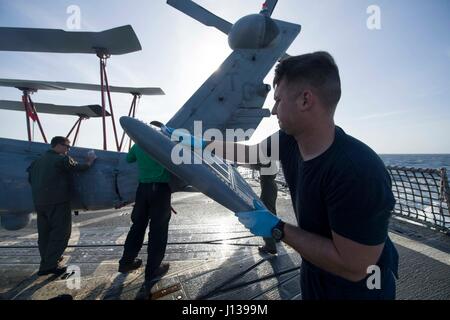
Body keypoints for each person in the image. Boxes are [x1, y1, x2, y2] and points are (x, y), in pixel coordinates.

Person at [168, 52, 399, 300]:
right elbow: (251, 153)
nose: (273, 109)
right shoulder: (289, 140)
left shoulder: (357, 171)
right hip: (315, 279)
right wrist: (200, 143)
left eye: (278, 100)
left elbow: (354, 267)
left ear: (305, 100)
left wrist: (276, 227)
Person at [27, 136, 96, 276]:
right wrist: (89, 162)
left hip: (39, 202)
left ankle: (47, 261)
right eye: (67, 146)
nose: (68, 149)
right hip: (57, 201)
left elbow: (30, 179)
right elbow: (79, 168)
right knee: (61, 233)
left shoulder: (37, 161)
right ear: (58, 145)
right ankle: (49, 265)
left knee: (44, 234)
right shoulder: (61, 159)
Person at [118, 143, 172, 296]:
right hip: (160, 189)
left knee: (137, 226)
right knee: (158, 230)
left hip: (142, 190)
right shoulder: (161, 144)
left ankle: (126, 262)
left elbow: (129, 159)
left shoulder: (138, 145)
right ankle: (153, 269)